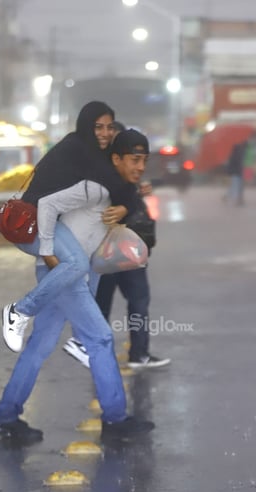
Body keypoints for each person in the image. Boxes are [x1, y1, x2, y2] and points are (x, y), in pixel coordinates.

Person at [0, 128, 157, 443]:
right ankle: (115, 420)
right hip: (63, 274)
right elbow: (50, 207)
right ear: (116, 158)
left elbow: (94, 241)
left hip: (64, 277)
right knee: (101, 339)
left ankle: (5, 416)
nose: (140, 166)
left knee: (38, 348)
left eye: (144, 160)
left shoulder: (115, 191)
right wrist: (51, 252)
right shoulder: (96, 188)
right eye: (134, 159)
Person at [1, 101, 138, 353]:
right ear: (87, 125)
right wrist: (47, 249)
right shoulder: (79, 149)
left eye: (109, 127)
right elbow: (119, 186)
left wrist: (127, 203)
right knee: (77, 264)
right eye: (98, 127)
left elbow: (120, 186)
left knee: (93, 263)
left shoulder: (89, 150)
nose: (105, 133)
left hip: (53, 221)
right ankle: (19, 311)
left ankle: (81, 338)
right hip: (35, 221)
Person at [64, 122, 170, 370]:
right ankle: (117, 353)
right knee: (123, 303)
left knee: (133, 302)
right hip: (110, 251)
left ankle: (133, 353)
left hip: (122, 250)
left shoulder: (107, 173)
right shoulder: (99, 176)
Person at [225, 138, 248, 206]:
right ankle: (236, 200)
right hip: (236, 171)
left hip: (237, 171)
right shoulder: (238, 149)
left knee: (236, 185)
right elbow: (236, 161)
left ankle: (235, 198)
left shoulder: (237, 149)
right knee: (236, 185)